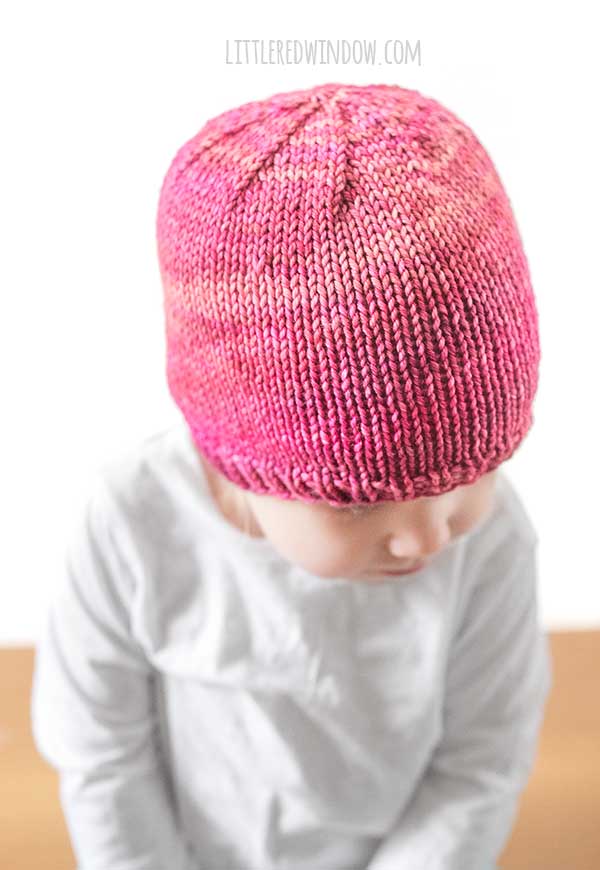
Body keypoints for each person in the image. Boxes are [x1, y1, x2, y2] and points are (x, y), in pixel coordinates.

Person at [30, 81, 553, 870]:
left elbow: (482, 763)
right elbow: (101, 754)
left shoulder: (492, 542)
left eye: (464, 475)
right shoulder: (133, 523)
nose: (426, 533)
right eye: (358, 501)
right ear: (237, 455)